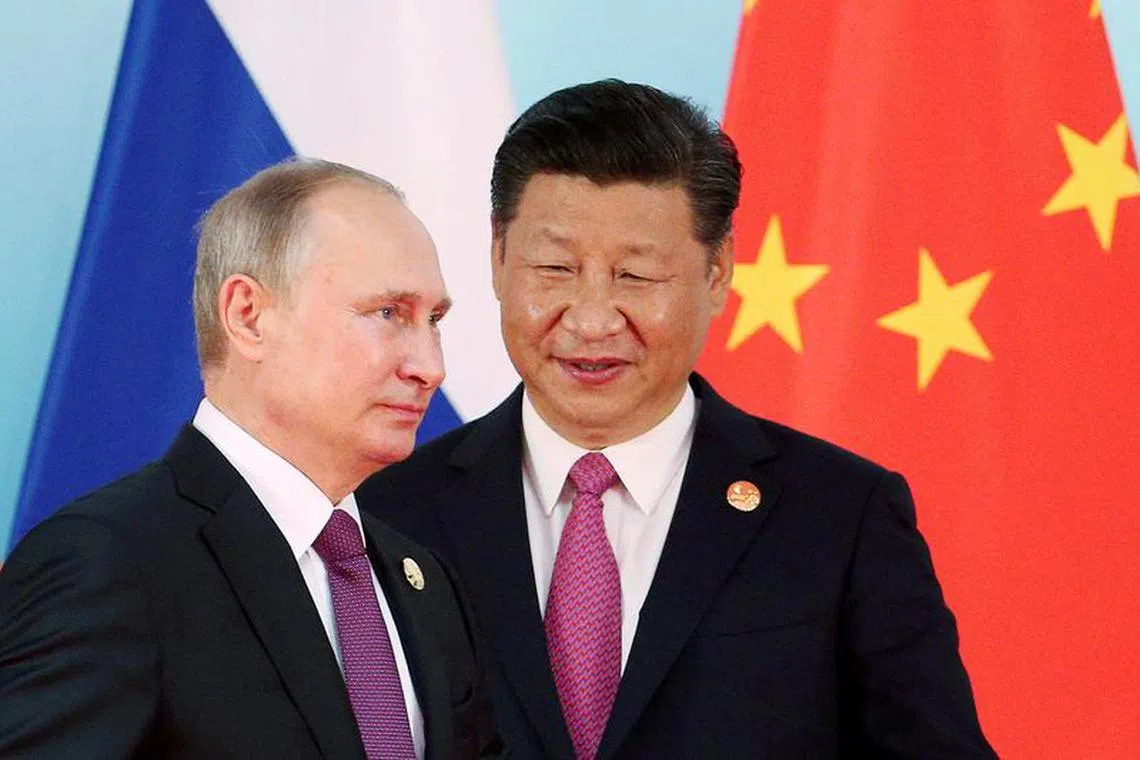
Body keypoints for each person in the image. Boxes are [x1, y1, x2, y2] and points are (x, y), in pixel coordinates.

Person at [358, 80, 997, 759]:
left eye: (636, 277)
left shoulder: (841, 517)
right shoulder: (388, 511)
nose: (593, 318)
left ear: (717, 270)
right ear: (499, 257)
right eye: (555, 268)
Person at [0, 159, 502, 759]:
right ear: (248, 316)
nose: (430, 367)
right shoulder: (107, 561)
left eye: (435, 320)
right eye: (388, 313)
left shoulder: (425, 581)